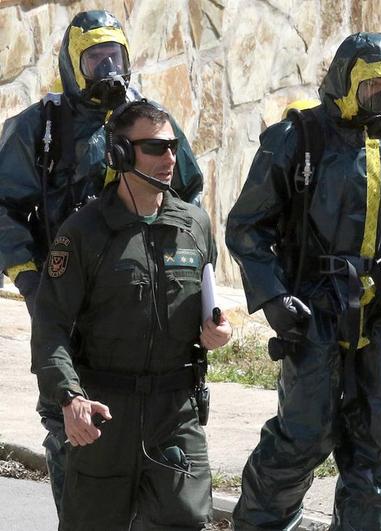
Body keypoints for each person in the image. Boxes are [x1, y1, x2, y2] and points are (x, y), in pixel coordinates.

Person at [226, 32, 381, 530]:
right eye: (372, 89)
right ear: (345, 82)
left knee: (377, 439)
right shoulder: (297, 138)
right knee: (304, 436)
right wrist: (273, 296)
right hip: (314, 305)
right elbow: (247, 226)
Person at [0, 9, 204, 514]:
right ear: (73, 65)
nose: (108, 69)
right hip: (67, 291)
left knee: (154, 438)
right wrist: (30, 276)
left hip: (136, 295)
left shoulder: (145, 121)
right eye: (96, 60)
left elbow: (188, 190)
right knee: (72, 429)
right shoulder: (40, 128)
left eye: (116, 57)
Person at [30, 99, 231, 530]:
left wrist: (215, 331)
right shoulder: (83, 233)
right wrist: (69, 397)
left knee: (187, 520)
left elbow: (206, 309)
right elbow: (50, 325)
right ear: (120, 153)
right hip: (105, 413)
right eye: (155, 148)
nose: (170, 158)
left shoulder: (194, 226)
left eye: (173, 146)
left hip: (175, 412)